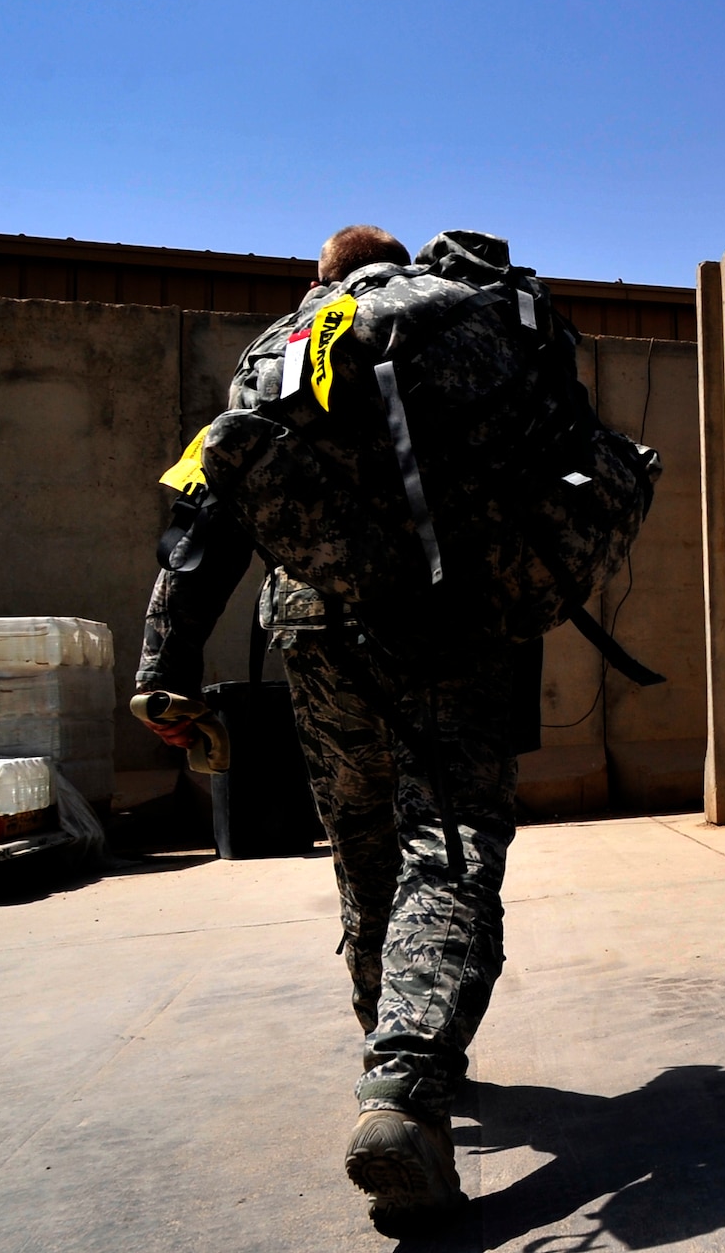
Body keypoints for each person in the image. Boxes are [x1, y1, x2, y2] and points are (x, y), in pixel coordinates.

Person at [136, 224, 522, 1231]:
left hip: (315, 622)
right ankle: (408, 1080)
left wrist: (162, 667)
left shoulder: (288, 341)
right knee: (447, 837)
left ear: (327, 274)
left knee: (360, 839)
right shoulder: (475, 321)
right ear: (401, 261)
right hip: (456, 622)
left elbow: (204, 512)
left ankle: (387, 1041)